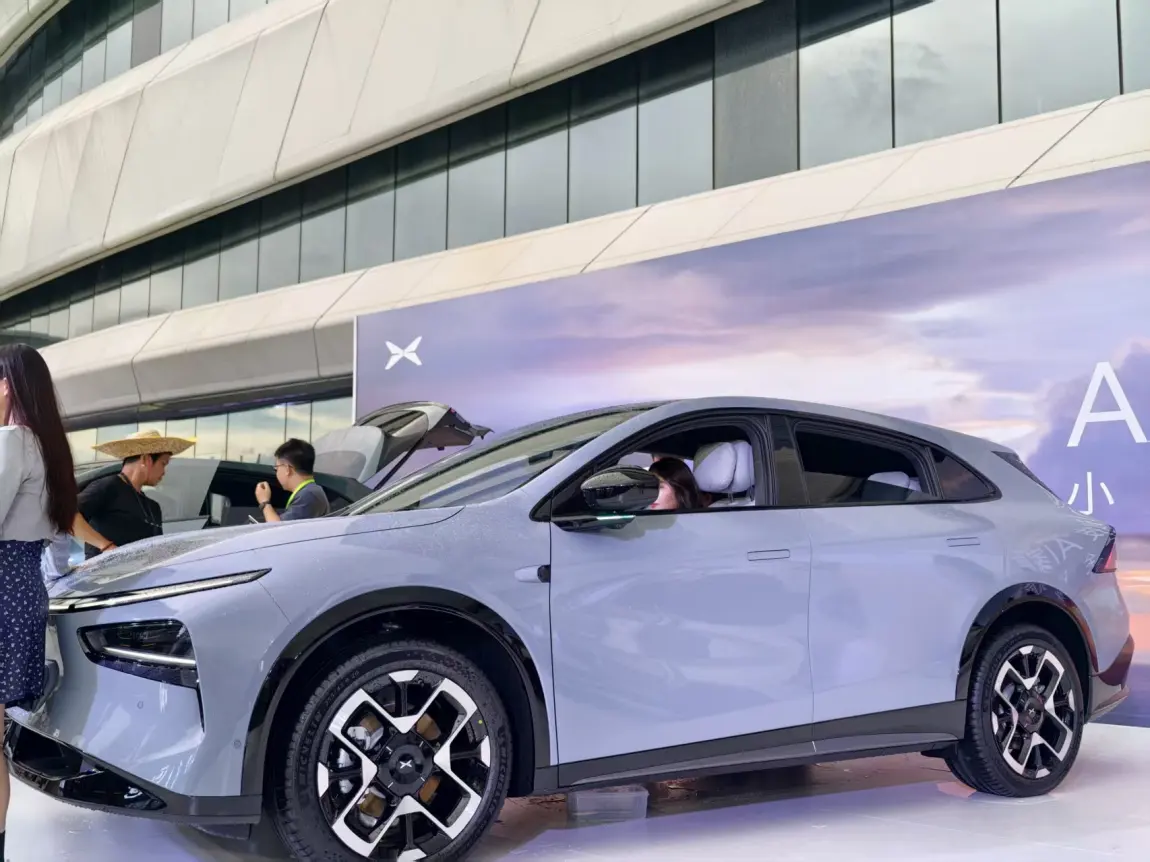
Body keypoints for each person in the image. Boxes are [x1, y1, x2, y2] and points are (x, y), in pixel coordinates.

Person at [0, 344, 81, 858]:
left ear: (8, 385)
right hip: (24, 589)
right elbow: (59, 540)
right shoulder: (50, 448)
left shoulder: (12, 439)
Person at [77, 429, 194, 558]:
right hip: (105, 570)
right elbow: (68, 516)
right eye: (163, 463)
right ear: (146, 459)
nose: (164, 472)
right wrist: (106, 546)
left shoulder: (153, 507)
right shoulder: (108, 487)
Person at [255, 438, 330, 522]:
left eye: (276, 468)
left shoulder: (308, 495)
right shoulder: (311, 491)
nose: (276, 473)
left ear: (287, 469)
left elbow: (278, 527)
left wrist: (265, 502)